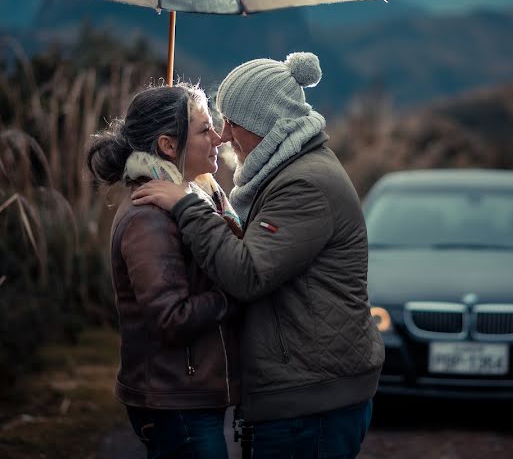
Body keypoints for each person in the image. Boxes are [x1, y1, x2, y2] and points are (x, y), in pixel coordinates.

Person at [132, 52, 384, 458]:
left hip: (311, 401)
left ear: (266, 125)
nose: (225, 135)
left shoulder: (304, 184)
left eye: (232, 122)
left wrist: (186, 206)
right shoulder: (290, 171)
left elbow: (247, 274)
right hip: (306, 392)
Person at [86, 84, 241, 459]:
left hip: (187, 396)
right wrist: (234, 291)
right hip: (174, 401)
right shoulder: (149, 216)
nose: (218, 138)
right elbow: (170, 318)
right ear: (169, 146)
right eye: (205, 130)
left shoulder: (195, 195)